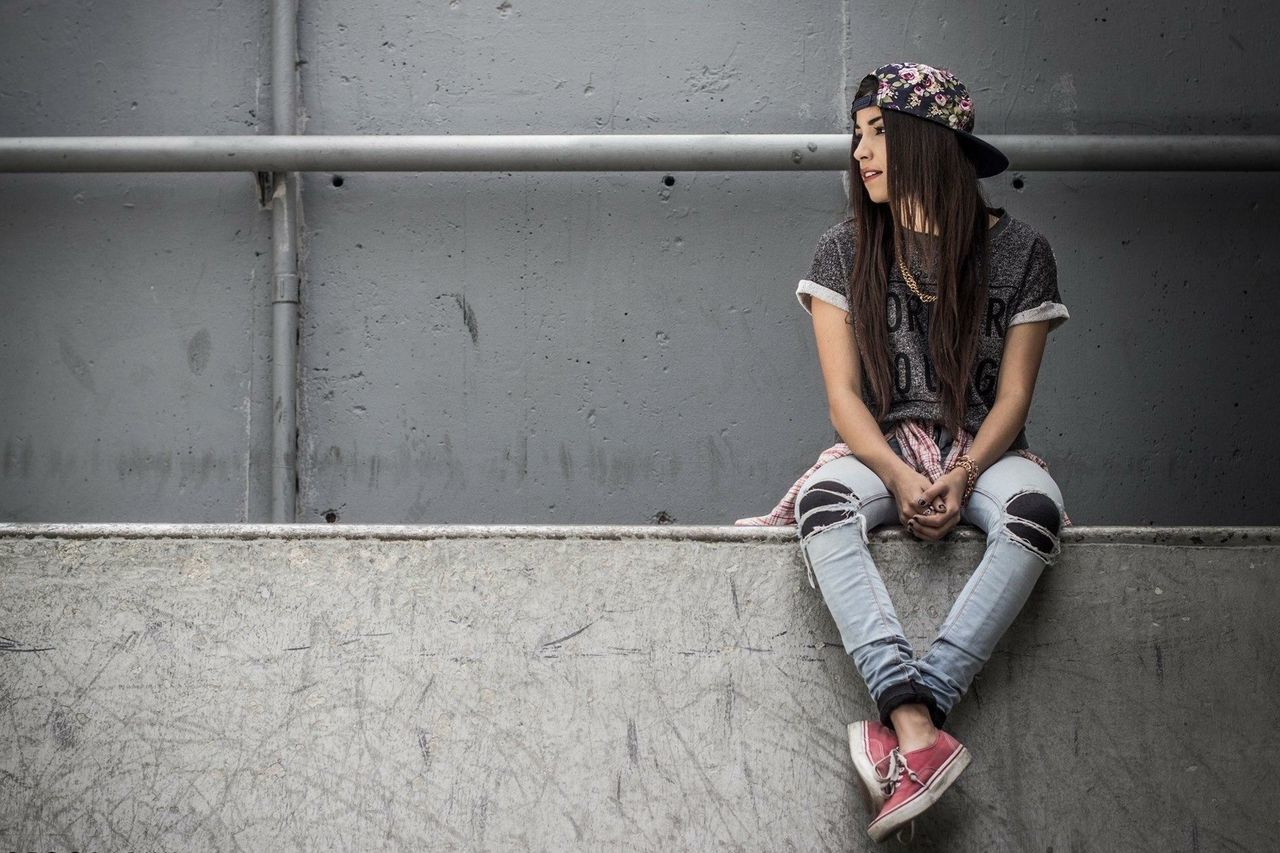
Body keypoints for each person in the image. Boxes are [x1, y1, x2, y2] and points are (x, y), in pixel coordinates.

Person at [736, 61, 1071, 842]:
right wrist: (896, 470)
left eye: (878, 133)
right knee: (823, 504)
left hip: (984, 447)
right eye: (856, 138)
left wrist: (961, 473)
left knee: (1036, 512)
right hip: (881, 445)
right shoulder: (842, 248)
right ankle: (915, 724)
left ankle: (918, 710)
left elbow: (1015, 397)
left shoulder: (1022, 251)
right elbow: (844, 399)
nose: (861, 154)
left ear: (927, 140)